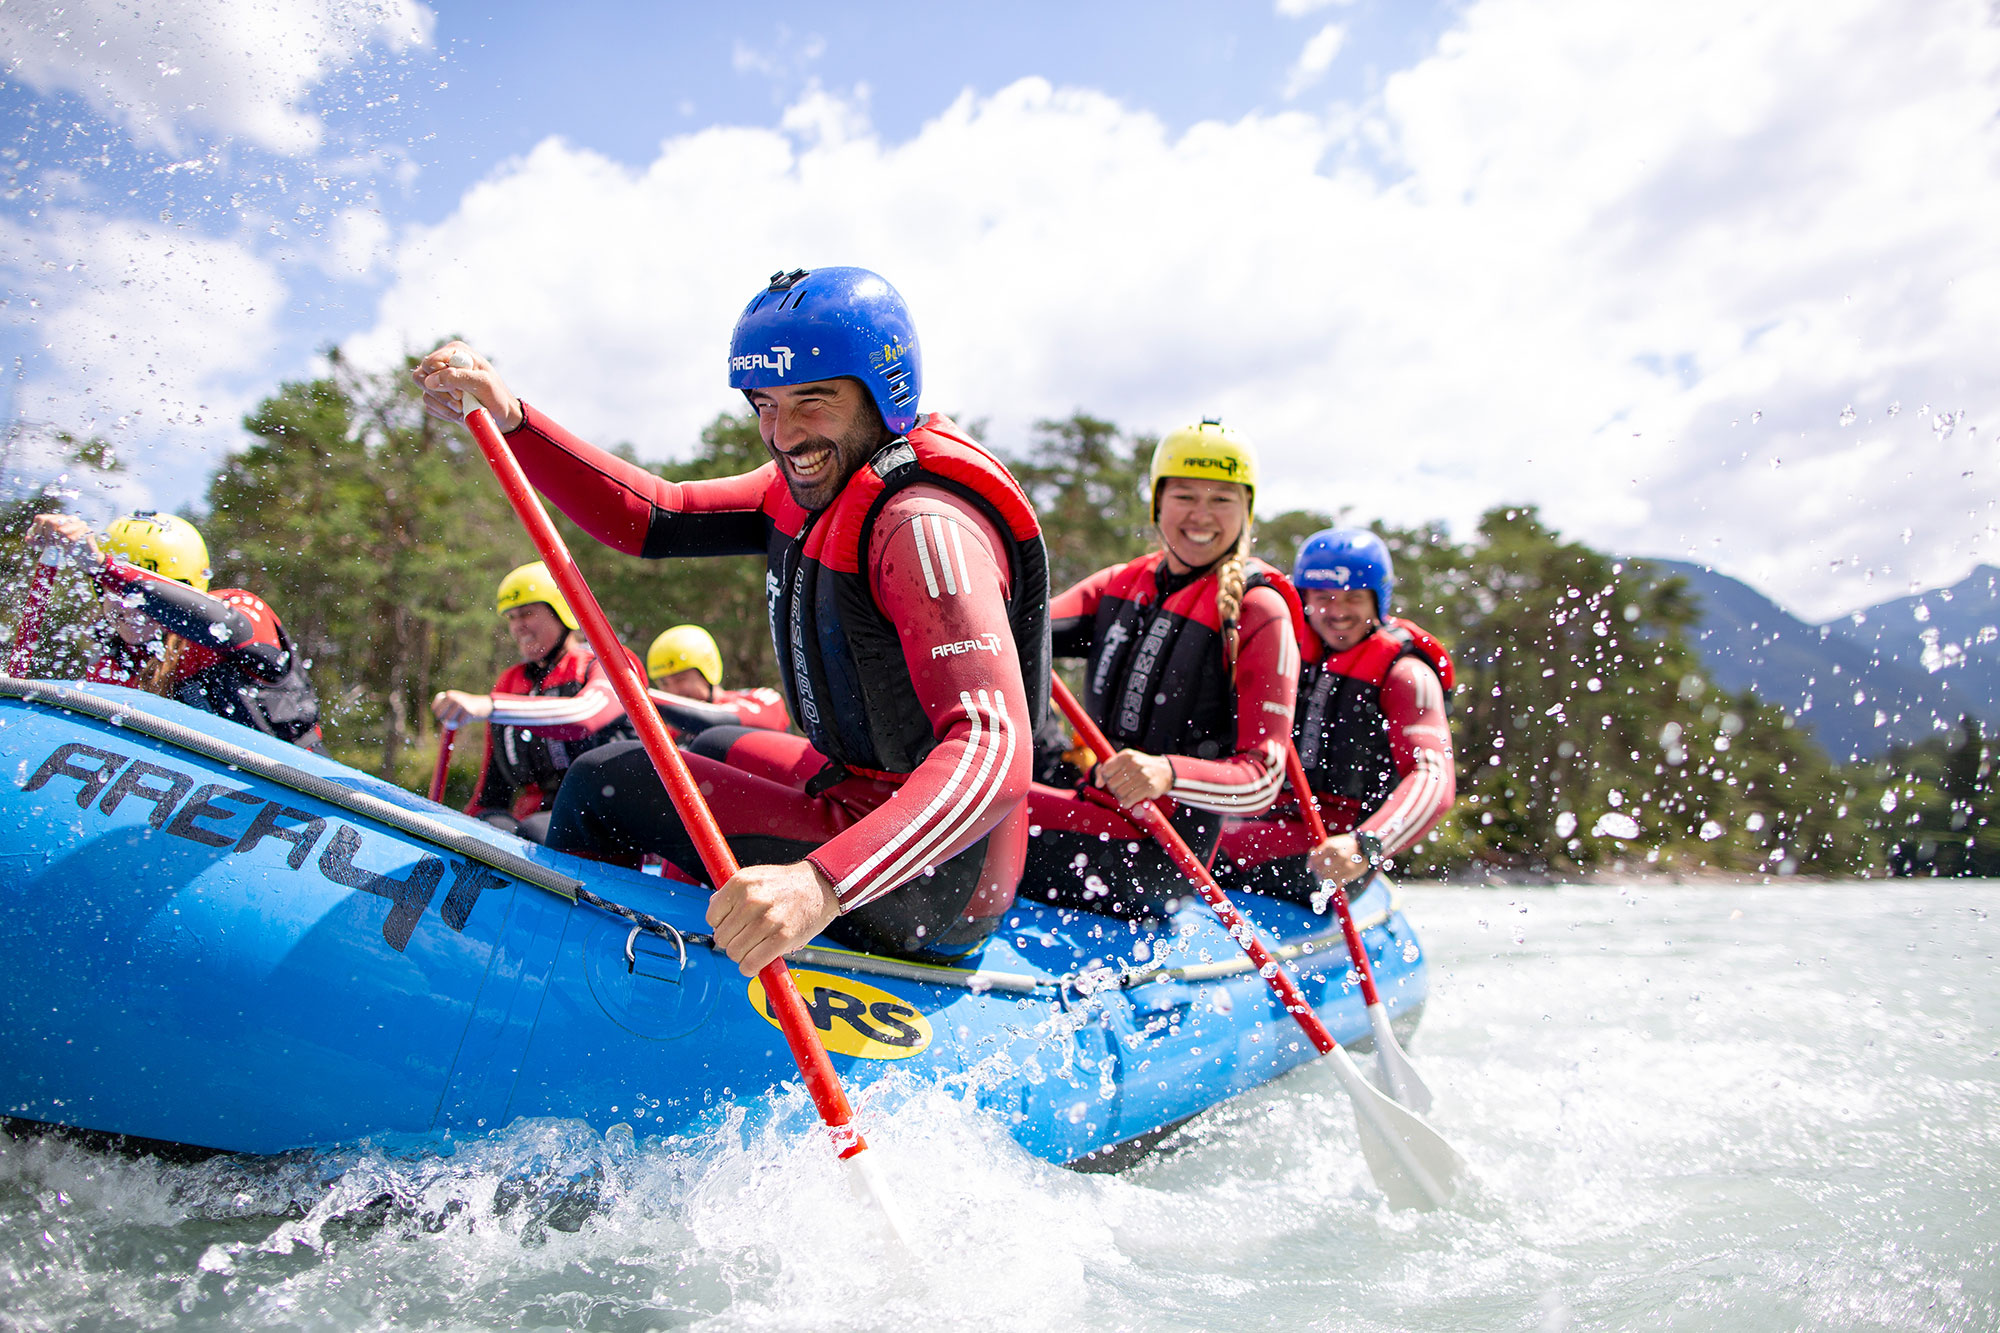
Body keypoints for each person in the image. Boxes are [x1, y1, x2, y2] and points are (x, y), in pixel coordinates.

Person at [414, 266, 1049, 974]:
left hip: (937, 876)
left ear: (884, 393)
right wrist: (514, 419)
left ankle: (543, 983)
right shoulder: (812, 483)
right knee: (711, 736)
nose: (783, 434)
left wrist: (821, 884)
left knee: (608, 779)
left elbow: (995, 754)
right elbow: (657, 516)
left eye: (814, 399)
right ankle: (687, 940)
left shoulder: (923, 526)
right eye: (765, 404)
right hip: (859, 789)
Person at [1023, 419, 1303, 919]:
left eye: (1222, 499)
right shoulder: (1120, 584)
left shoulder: (1259, 612)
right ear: (1158, 502)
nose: (1202, 515)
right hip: (1091, 804)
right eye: (1185, 496)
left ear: (1247, 510)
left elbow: (1264, 777)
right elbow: (1014, 630)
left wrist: (1166, 773)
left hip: (1157, 851)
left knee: (981, 814)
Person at [1215, 528, 1456, 903]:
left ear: (1378, 600)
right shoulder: (1277, 645)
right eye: (1324, 597)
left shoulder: (1407, 673)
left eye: (1354, 598)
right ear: (1303, 597)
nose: (1338, 612)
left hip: (1332, 852)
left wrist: (1367, 844)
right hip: (1247, 822)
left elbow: (1433, 776)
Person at [28, 510, 323, 750]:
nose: (128, 609)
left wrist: (103, 566)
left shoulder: (240, 612)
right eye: (114, 592)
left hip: (294, 795)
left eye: (144, 600)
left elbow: (229, 627)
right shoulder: (110, 666)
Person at [431, 561, 638, 844]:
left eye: (527, 613)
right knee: (486, 828)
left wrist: (490, 706)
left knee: (536, 832)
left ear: (562, 613)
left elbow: (584, 716)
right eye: (512, 617)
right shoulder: (510, 683)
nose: (518, 627)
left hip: (605, 820)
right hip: (535, 820)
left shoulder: (609, 663)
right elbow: (492, 791)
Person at [644, 623, 790, 736]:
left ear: (706, 673)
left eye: (680, 679)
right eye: (664, 683)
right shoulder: (674, 731)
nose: (673, 691)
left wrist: (643, 698)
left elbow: (719, 719)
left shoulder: (762, 699)